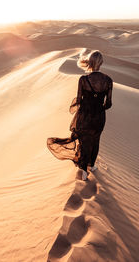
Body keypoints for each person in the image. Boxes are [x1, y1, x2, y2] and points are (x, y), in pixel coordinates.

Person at [47, 49, 113, 181]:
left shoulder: (83, 80)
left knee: (84, 141)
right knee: (95, 140)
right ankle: (92, 166)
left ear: (89, 62)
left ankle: (83, 170)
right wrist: (98, 106)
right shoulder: (108, 80)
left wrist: (85, 106)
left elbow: (78, 100)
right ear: (101, 63)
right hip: (99, 117)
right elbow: (109, 104)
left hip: (84, 115)